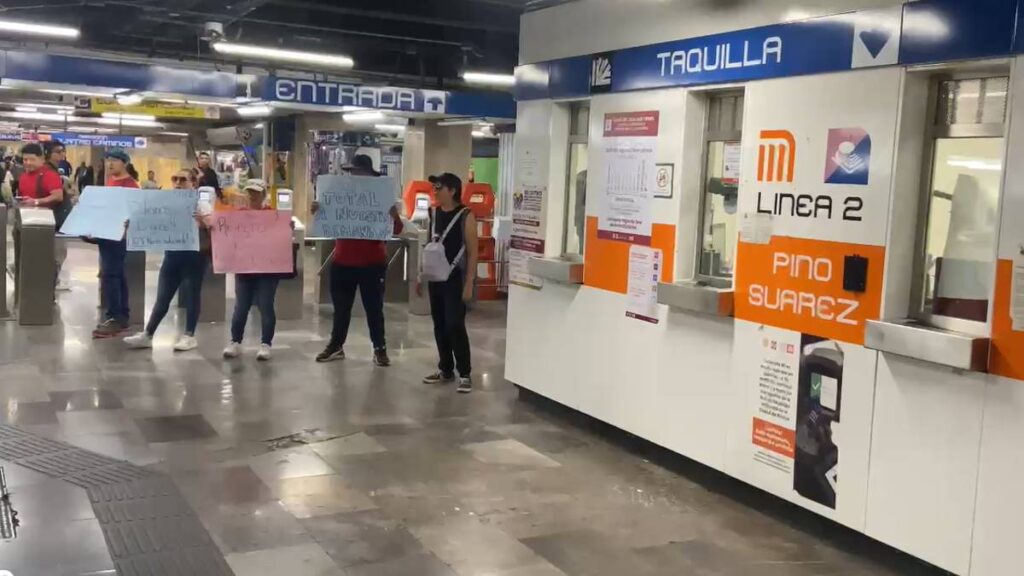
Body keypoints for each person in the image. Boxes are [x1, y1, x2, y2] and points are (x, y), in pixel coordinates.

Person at [314, 154, 404, 366]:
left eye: (358, 172)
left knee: (374, 309)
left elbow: (397, 229)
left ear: (369, 175)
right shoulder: (340, 195)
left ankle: (379, 348)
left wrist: (392, 215)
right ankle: (336, 345)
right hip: (342, 261)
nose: (354, 176)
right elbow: (325, 222)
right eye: (352, 173)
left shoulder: (381, 198)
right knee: (341, 309)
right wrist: (319, 211)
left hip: (371, 264)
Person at [124, 169, 210, 352]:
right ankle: (148, 334)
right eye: (175, 179)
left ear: (193, 183)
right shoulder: (166, 203)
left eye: (183, 180)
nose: (178, 183)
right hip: (172, 255)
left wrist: (203, 223)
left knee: (192, 296)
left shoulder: (201, 205)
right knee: (162, 297)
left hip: (194, 257)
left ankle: (189, 335)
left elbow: (214, 228)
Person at [420, 173, 478, 393]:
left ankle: (465, 372)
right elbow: (429, 245)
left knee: (455, 323)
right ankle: (445, 368)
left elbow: (473, 252)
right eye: (434, 187)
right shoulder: (433, 213)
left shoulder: (466, 215)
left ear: (452, 190)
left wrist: (470, 282)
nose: (435, 191)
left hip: (456, 278)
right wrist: (421, 275)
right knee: (440, 325)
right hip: (435, 277)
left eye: (439, 187)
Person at [223, 179, 283, 361]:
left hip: (267, 270)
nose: (252, 195)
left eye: (256, 192)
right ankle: (235, 342)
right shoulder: (239, 215)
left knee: (266, 305)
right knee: (241, 306)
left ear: (263, 194)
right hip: (244, 269)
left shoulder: (273, 215)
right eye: (250, 192)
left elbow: (280, 238)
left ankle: (266, 344)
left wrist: (287, 230)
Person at [92, 148, 140, 339]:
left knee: (111, 274)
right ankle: (121, 316)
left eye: (114, 161)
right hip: (107, 233)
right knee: (116, 274)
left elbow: (133, 212)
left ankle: (115, 317)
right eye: (108, 161)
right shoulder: (111, 181)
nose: (110, 164)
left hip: (118, 236)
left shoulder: (130, 185)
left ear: (125, 163)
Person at [14, 143, 64, 286]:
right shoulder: (23, 176)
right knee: (27, 259)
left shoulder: (49, 175)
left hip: (45, 224)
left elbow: (58, 196)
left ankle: (46, 290)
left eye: (31, 159)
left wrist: (36, 202)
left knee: (45, 260)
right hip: (26, 222)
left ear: (41, 159)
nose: (27, 163)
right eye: (25, 160)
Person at [44, 140, 74, 291]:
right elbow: (56, 197)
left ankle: (50, 286)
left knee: (58, 255)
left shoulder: (56, 171)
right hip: (55, 220)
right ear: (48, 153)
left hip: (59, 220)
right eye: (58, 151)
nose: (62, 154)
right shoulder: (49, 172)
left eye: (63, 151)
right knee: (57, 255)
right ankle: (49, 288)